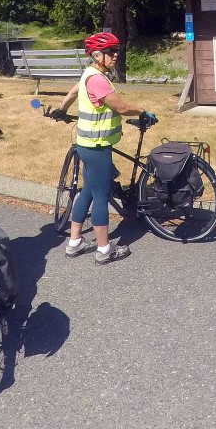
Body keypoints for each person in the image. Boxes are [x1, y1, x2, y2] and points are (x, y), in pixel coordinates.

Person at [51, 31, 154, 264]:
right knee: (101, 195)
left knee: (88, 191)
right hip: (97, 146)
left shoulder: (88, 73)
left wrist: (62, 109)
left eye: (116, 51)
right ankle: (104, 250)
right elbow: (121, 107)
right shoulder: (97, 79)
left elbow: (73, 91)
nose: (116, 55)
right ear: (98, 55)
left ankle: (74, 243)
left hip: (85, 144)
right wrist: (143, 111)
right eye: (111, 52)